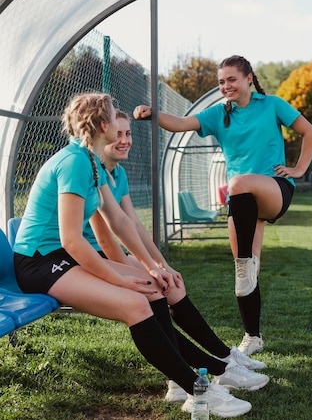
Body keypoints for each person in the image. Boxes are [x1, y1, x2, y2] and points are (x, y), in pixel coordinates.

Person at [13, 92, 268, 419]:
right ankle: (200, 391)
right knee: (135, 303)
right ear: (103, 125)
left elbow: (118, 220)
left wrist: (153, 267)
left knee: (153, 285)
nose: (120, 133)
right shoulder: (74, 162)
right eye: (114, 125)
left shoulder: (90, 160)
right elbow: (72, 241)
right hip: (39, 262)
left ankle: (184, 381)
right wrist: (121, 278)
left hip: (60, 256)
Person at [134, 55, 312, 356]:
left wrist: (298, 169)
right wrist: (153, 113)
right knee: (243, 275)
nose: (226, 86)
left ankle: (248, 262)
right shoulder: (219, 114)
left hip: (274, 190)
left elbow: (310, 132)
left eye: (231, 79)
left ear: (248, 78)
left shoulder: (272, 104)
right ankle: (253, 336)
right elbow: (180, 123)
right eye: (221, 81)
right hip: (243, 202)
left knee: (236, 185)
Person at [84, 109, 268, 404]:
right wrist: (139, 274)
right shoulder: (91, 172)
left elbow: (133, 225)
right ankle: (198, 372)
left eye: (128, 133)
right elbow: (106, 237)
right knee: (153, 288)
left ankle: (215, 360)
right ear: (100, 135)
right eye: (117, 134)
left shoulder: (117, 172)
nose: (124, 140)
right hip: (90, 257)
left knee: (172, 284)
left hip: (105, 255)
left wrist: (162, 265)